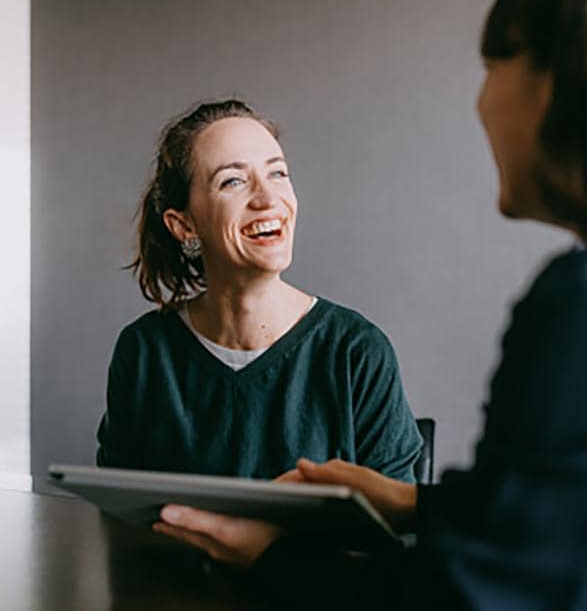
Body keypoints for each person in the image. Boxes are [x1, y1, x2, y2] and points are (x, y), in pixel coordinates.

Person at [154, 0, 587, 608]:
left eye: (493, 68)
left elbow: (477, 596)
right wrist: (413, 503)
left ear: (561, 82)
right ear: (181, 223)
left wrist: (270, 558)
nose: (480, 101)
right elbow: (577, 518)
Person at [97, 99, 425, 482]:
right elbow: (119, 507)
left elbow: (394, 514)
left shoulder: (357, 351)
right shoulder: (144, 352)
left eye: (277, 173)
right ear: (184, 226)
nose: (268, 200)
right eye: (233, 181)